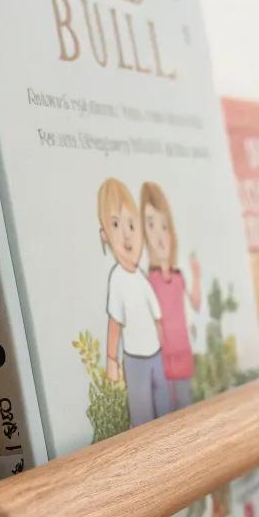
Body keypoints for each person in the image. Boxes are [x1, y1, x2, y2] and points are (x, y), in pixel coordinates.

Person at [98, 177, 165, 427]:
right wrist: (111, 360)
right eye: (116, 224)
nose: (127, 235)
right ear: (105, 235)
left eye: (131, 225)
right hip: (135, 360)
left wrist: (163, 341)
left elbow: (157, 316)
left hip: (156, 355)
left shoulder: (141, 277)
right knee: (142, 419)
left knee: (165, 410)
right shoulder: (117, 280)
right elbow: (115, 323)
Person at [140, 180, 201, 413]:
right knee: (165, 410)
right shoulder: (149, 279)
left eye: (164, 226)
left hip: (183, 351)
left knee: (186, 405)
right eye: (151, 225)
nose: (159, 235)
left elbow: (195, 303)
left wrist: (196, 275)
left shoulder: (179, 276)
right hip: (162, 357)